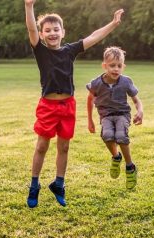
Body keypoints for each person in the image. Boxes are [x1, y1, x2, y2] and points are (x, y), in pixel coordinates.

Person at [24, 0, 123, 208]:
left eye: (56, 29)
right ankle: (34, 185)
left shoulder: (69, 51)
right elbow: (31, 28)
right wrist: (29, 7)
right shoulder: (41, 51)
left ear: (63, 32)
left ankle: (59, 184)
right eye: (47, 30)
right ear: (42, 35)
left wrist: (113, 24)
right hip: (48, 106)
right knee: (42, 146)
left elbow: (93, 37)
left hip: (67, 105)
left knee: (65, 147)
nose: (52, 33)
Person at [86, 47, 144, 190]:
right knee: (107, 135)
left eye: (119, 66)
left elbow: (136, 100)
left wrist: (140, 111)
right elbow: (90, 100)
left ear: (123, 67)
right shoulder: (96, 83)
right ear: (104, 65)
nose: (116, 69)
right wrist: (90, 120)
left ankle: (130, 167)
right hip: (105, 115)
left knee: (120, 136)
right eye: (112, 66)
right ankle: (116, 157)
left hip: (122, 114)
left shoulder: (126, 81)